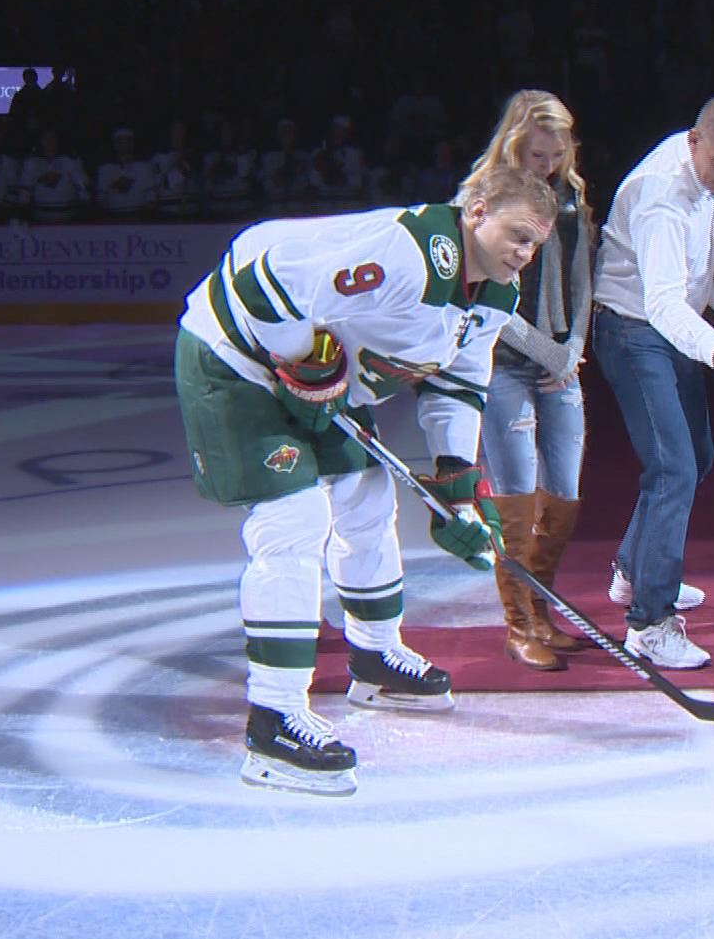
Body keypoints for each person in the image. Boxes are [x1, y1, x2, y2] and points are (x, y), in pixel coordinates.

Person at [174, 165, 556, 796]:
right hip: (236, 360)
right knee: (294, 522)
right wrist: (302, 361)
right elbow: (263, 285)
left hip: (310, 379)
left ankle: (375, 658)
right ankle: (273, 721)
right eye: (518, 234)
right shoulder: (407, 254)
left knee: (368, 496)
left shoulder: (493, 296)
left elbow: (458, 383)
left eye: (536, 243)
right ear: (478, 210)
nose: (526, 253)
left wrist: (456, 483)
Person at [590, 95, 714, 669]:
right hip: (633, 330)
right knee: (673, 466)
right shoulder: (663, 198)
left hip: (671, 323)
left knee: (694, 456)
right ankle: (649, 620)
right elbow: (663, 300)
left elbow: (684, 274)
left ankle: (635, 567)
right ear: (694, 143)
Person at [462, 91, 595, 671]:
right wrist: (549, 353)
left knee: (563, 492)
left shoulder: (571, 197)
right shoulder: (484, 197)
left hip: (561, 359)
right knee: (514, 501)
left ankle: (540, 607)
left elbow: (584, 277)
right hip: (504, 365)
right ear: (515, 142)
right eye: (537, 153)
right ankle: (518, 624)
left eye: (555, 153)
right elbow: (487, 292)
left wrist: (573, 349)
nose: (546, 164)